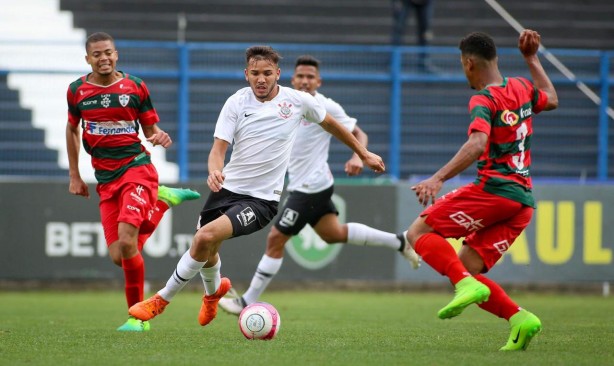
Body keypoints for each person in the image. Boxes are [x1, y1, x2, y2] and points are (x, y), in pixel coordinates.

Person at [128, 46, 385, 328]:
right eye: (255, 73)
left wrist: (363, 153)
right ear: (246, 74)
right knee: (209, 248)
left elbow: (333, 125)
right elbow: (218, 149)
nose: (260, 79)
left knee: (204, 237)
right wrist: (215, 171)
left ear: (277, 73)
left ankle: (161, 300)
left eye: (266, 73)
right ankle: (213, 296)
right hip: (227, 189)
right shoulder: (236, 103)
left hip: (261, 201)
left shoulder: (297, 101)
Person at [218, 55, 421, 315]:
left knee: (276, 239)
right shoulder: (288, 102)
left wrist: (359, 155)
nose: (305, 81)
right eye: (301, 76)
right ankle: (400, 241)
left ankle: (246, 302)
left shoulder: (326, 106)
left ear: (319, 81)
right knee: (332, 233)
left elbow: (359, 133)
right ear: (292, 79)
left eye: (310, 77)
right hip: (313, 184)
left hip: (310, 187)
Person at [404, 29, 558, 351]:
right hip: (523, 202)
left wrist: (438, 178)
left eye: (462, 64)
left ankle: (462, 285)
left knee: (418, 232)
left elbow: (477, 144)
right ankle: (520, 319)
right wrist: (531, 58)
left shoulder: (483, 99)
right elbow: (551, 98)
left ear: (469, 62)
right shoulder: (521, 86)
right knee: (467, 266)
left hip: (495, 191)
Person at [65, 32, 200, 332]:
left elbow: (151, 129)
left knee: (127, 242)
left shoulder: (135, 86)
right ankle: (161, 202)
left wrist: (159, 136)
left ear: (117, 55)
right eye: (97, 54)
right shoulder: (76, 91)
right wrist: (74, 174)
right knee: (119, 255)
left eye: (108, 52)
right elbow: (72, 128)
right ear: (88, 58)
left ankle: (137, 319)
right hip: (105, 178)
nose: (104, 58)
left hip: (135, 169)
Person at [391, 0, 435, 71]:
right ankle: (394, 62)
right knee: (398, 30)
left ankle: (424, 62)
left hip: (425, 2)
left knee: (425, 32)